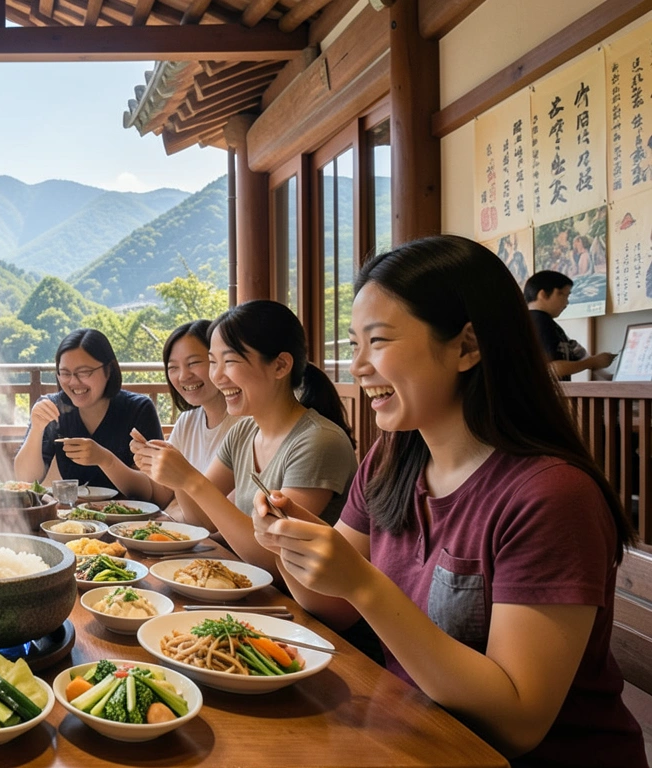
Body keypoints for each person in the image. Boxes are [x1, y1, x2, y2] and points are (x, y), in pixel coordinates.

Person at [253, 235, 644, 766]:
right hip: (410, 732)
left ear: (466, 346)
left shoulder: (551, 495)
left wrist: (366, 585)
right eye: (354, 344)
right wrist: (290, 542)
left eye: (379, 341)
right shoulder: (392, 461)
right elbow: (334, 606)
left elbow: (518, 721)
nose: (359, 367)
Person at [130, 301, 356, 577]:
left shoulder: (318, 442)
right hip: (250, 585)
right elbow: (200, 518)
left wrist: (190, 479)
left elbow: (273, 557)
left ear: (280, 365)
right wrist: (176, 478)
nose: (218, 376)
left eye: (230, 361)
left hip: (301, 606)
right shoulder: (244, 431)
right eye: (213, 362)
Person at [13, 328, 162, 499]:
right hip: (74, 518)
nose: (74, 382)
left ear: (109, 370)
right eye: (65, 373)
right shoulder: (54, 407)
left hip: (129, 520)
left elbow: (149, 492)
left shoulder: (138, 409)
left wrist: (106, 460)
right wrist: (37, 429)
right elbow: (26, 479)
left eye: (84, 372)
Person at [136, 320, 239, 513]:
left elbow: (215, 516)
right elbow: (163, 495)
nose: (183, 376)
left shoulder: (245, 426)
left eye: (193, 363)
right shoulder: (188, 421)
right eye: (173, 367)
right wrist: (150, 462)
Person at [525, 270, 615, 380]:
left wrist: (603, 371)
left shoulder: (547, 323)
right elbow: (552, 368)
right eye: (563, 295)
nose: (567, 303)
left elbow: (577, 353)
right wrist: (593, 361)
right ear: (543, 294)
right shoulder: (539, 322)